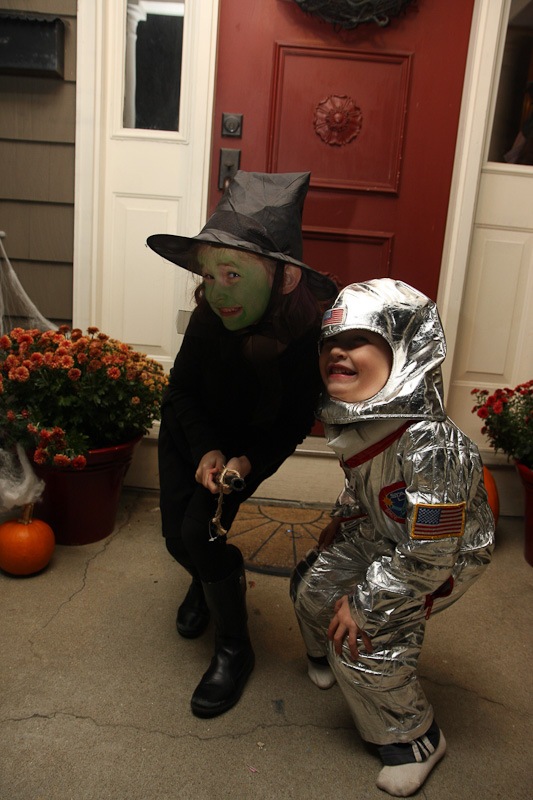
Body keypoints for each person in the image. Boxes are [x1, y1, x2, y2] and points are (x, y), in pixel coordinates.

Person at [290, 279, 494, 797]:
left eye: (358, 340)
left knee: (363, 641)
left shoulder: (434, 446)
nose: (337, 352)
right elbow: (365, 484)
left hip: (438, 558)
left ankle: (415, 738)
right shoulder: (365, 421)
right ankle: (324, 654)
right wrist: (344, 516)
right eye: (330, 342)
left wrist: (365, 604)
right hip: (384, 530)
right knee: (313, 587)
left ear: (405, 351)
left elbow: (433, 552)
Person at [147, 171, 338, 719]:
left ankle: (234, 646)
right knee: (176, 538)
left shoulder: (306, 338)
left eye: (233, 273)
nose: (218, 289)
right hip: (190, 428)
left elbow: (295, 421)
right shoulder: (211, 315)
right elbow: (181, 389)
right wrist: (204, 449)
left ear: (284, 279)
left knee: (200, 532)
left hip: (248, 446)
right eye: (210, 275)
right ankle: (204, 581)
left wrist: (246, 461)